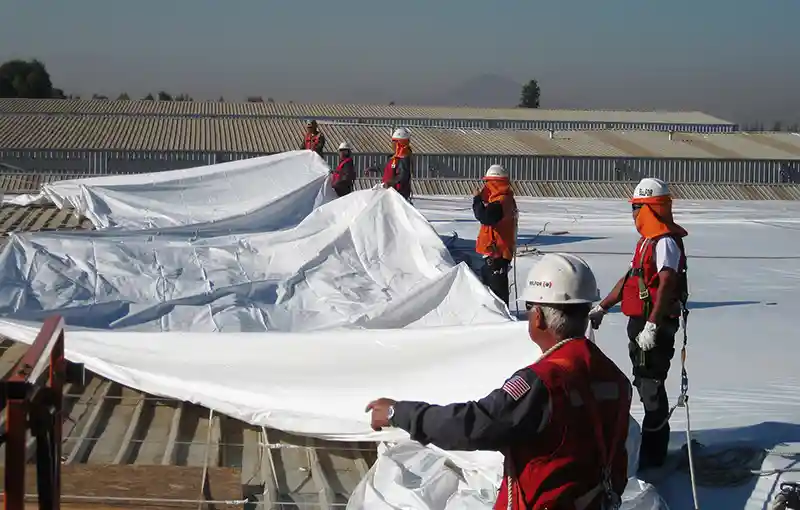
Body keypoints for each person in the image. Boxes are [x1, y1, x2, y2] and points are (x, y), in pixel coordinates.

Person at [366, 253, 633, 510]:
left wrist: (397, 412)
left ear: (538, 317)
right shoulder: (615, 378)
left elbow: (470, 426)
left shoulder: (541, 383)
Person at [589, 177, 688, 470]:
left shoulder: (665, 241)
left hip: (652, 328)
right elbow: (632, 278)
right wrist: (603, 307)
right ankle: (651, 449)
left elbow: (668, 280)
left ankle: (653, 458)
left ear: (649, 208)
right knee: (646, 384)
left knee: (651, 388)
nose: (632, 214)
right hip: (641, 325)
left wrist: (653, 325)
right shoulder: (647, 241)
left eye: (635, 207)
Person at [473, 164, 517, 306]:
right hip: (498, 253)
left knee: (496, 295)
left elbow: (484, 217)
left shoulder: (499, 203)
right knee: (495, 291)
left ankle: (501, 322)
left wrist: (477, 200)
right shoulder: (506, 199)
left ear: (494, 184)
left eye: (487, 183)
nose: (485, 187)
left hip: (496, 255)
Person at [380, 127, 413, 202]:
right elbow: (389, 171)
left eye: (395, 143)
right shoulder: (395, 158)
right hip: (390, 193)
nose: (393, 145)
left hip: (398, 195)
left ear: (400, 143)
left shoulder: (403, 158)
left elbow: (403, 176)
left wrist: (390, 182)